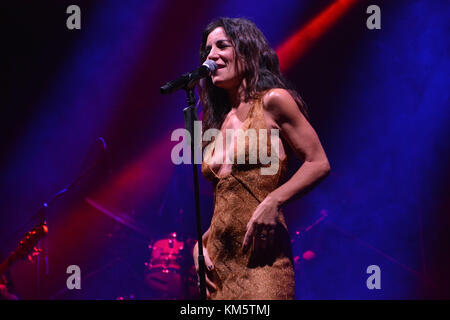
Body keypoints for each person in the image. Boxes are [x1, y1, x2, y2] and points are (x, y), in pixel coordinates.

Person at [192, 17, 330, 300]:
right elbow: (227, 205)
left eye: (222, 46)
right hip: (218, 271)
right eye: (207, 50)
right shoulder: (216, 124)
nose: (212, 56)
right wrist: (198, 247)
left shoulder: (273, 101)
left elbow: (318, 162)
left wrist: (273, 200)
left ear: (247, 50)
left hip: (261, 264)